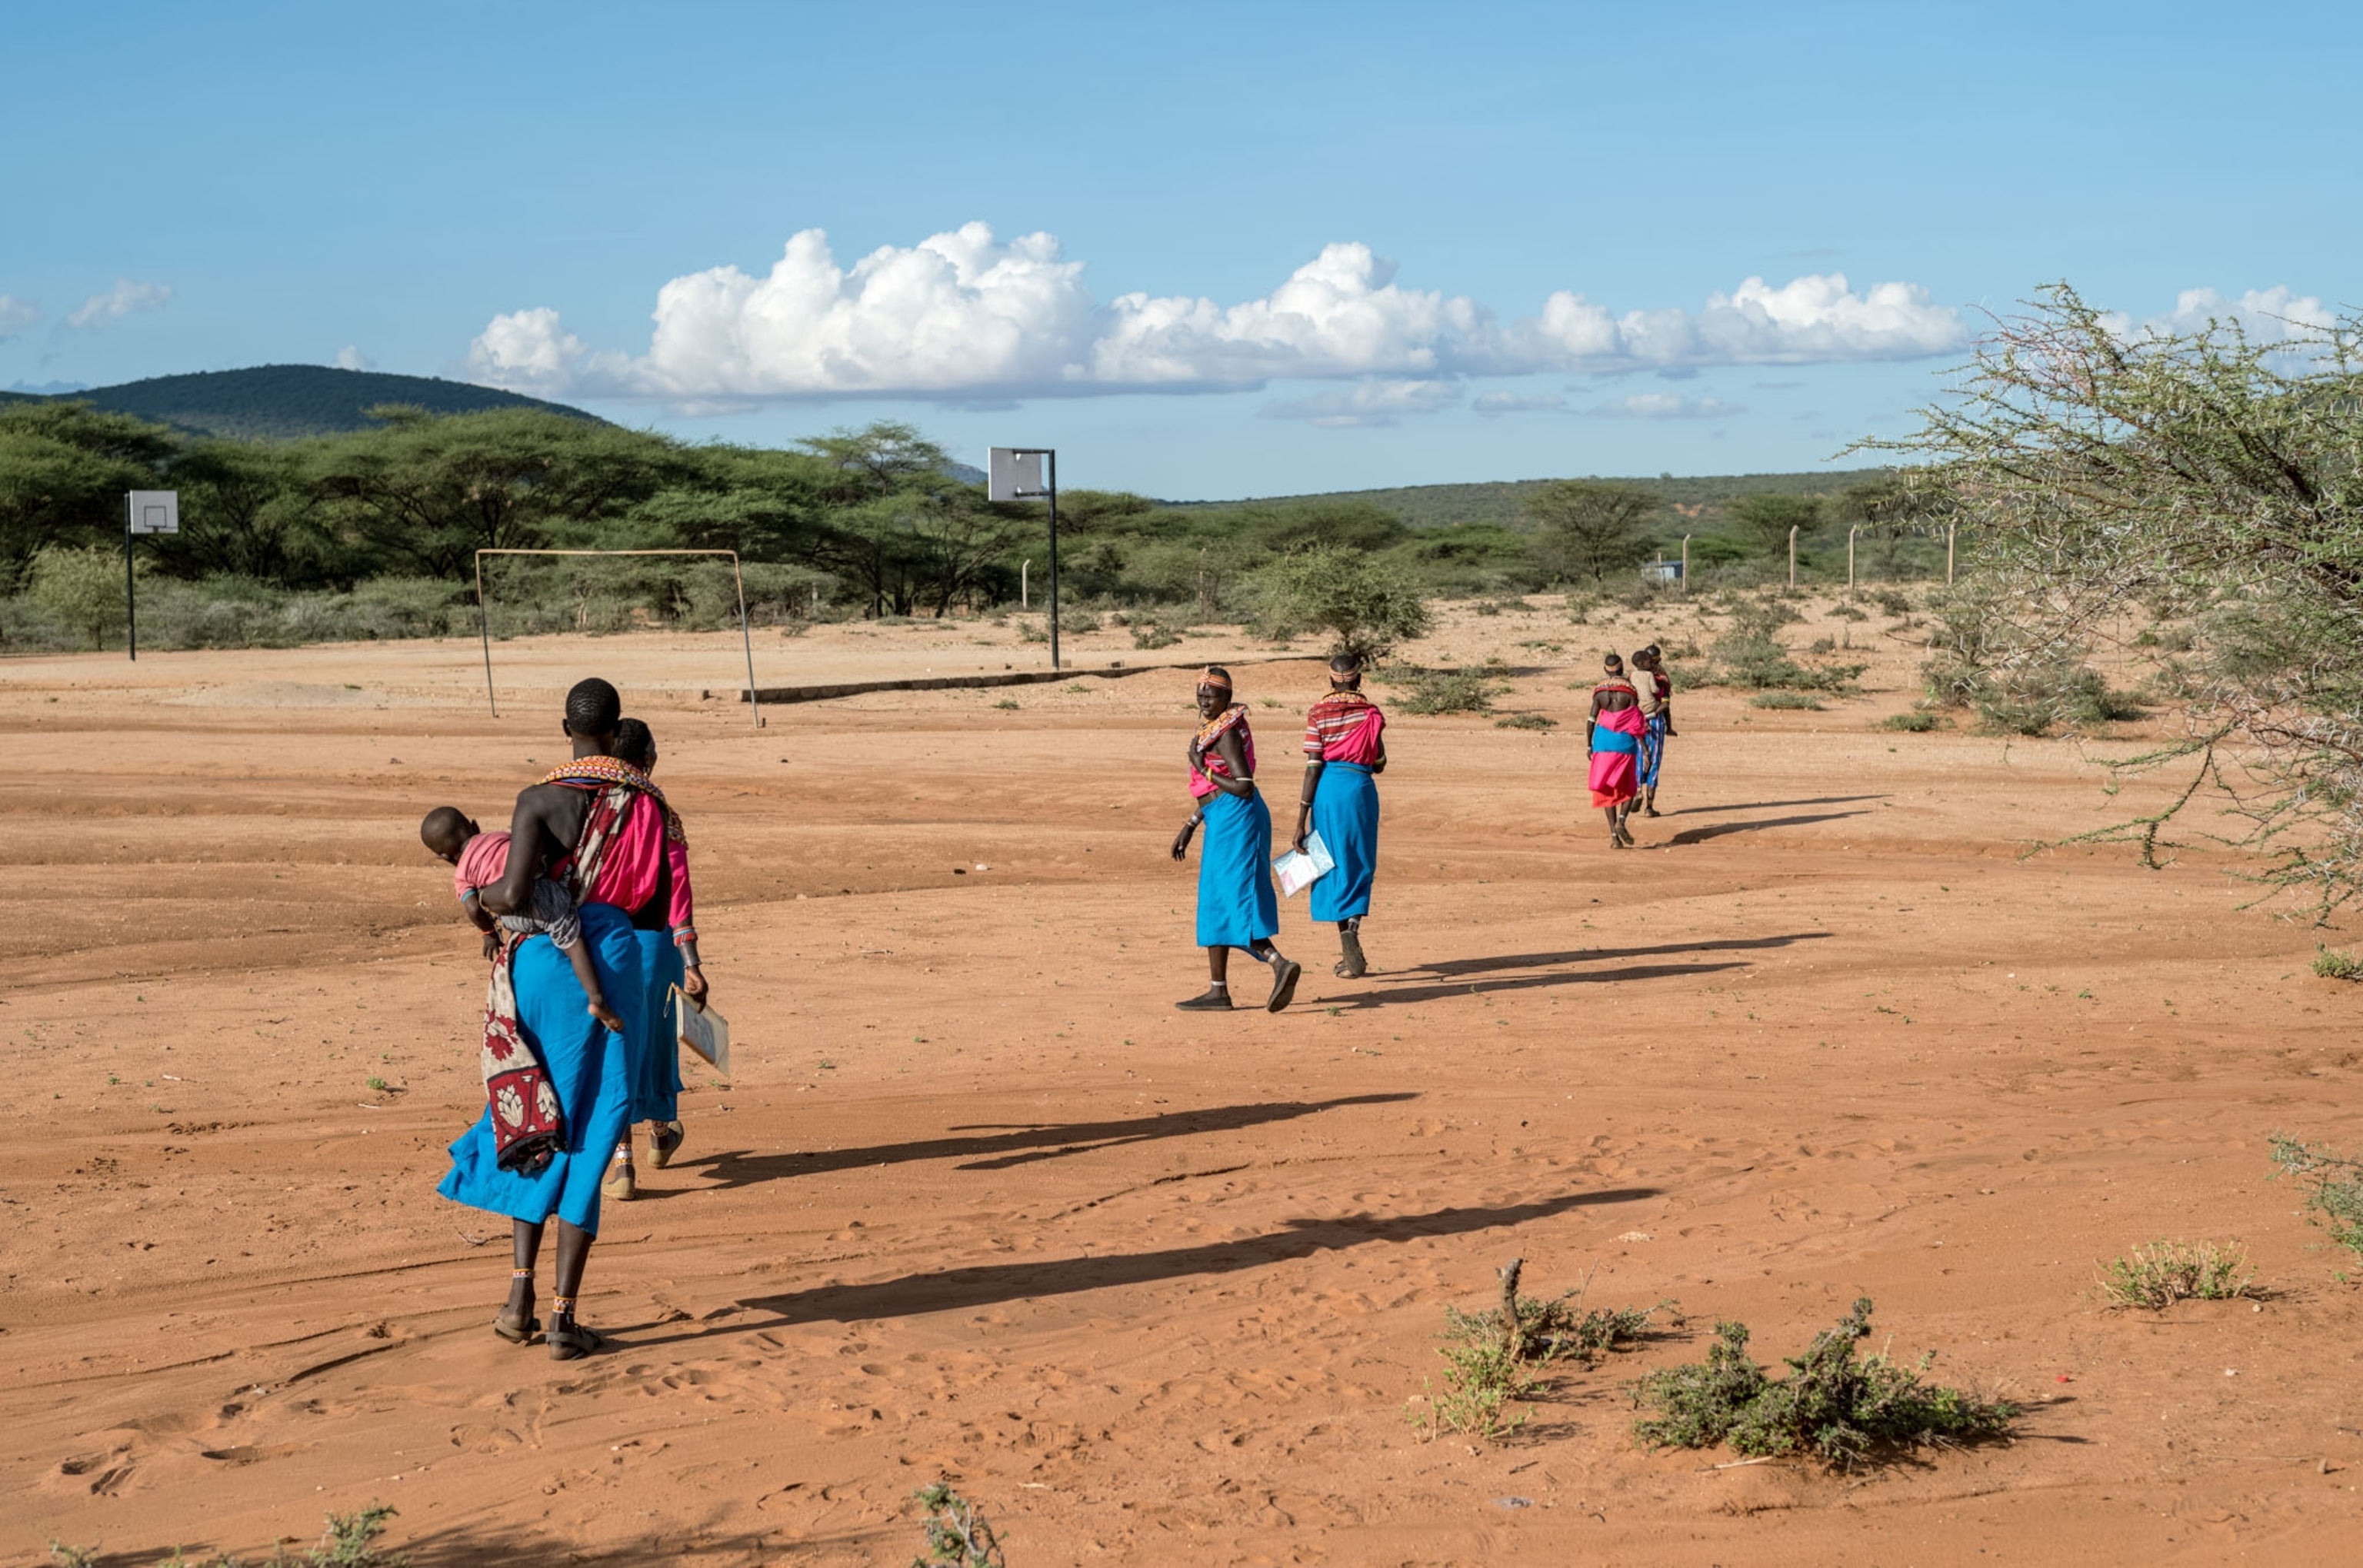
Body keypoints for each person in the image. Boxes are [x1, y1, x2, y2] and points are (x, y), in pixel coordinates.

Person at [436, 677, 670, 1360]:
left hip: (541, 962)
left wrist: (476, 896)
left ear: (563, 726)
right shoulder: (651, 804)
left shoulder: (538, 798)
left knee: (535, 1116)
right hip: (618, 958)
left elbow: (514, 892)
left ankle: (518, 1299)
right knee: (596, 1130)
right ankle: (566, 1318)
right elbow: (653, 909)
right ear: (618, 726)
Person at [600, 717, 707, 1203]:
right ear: (645, 759)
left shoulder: (592, 807)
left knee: (615, 1044)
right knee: (659, 1039)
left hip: (600, 943)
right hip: (653, 943)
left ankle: (621, 1161)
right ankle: (661, 1134)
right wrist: (692, 961)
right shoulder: (660, 813)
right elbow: (678, 891)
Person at [1168, 666, 1302, 1012]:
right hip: (1223, 817)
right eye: (1200, 694)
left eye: (1211, 695)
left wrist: (1203, 768)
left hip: (1236, 818)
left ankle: (1277, 963)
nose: (1204, 700)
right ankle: (1219, 990)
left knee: (1229, 899)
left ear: (1227, 697)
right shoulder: (1219, 726)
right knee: (1218, 900)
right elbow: (1217, 791)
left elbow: (1243, 786)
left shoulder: (1226, 733)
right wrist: (1193, 822)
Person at [422, 806, 624, 1034]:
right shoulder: (498, 837)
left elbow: (472, 908)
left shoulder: (462, 876)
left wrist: (489, 934)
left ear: (445, 857)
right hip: (540, 895)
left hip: (512, 919)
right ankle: (596, 998)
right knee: (573, 941)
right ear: (474, 825)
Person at [1291, 651, 1388, 978]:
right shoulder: (1371, 714)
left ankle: (1345, 946)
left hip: (1327, 792)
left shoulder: (1318, 712)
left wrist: (1301, 817)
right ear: (1359, 679)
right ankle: (1354, 929)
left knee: (1330, 862)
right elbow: (1379, 763)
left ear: (1331, 679)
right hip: (1359, 789)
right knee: (1359, 860)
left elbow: (1313, 765)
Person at [1587, 653, 1646, 847]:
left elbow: (1591, 720)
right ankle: (1622, 820)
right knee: (1629, 786)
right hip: (1624, 743)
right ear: (1621, 669)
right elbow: (1636, 723)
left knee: (1607, 789)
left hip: (1603, 742)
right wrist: (1645, 749)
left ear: (1606, 670)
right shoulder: (1630, 691)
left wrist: (1589, 744)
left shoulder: (1599, 691)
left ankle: (1614, 837)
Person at [1633, 645, 1676, 817]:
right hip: (1656, 721)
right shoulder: (1662, 679)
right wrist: (1669, 726)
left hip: (1637, 720)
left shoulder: (1634, 677)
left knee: (1638, 758)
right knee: (1655, 761)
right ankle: (1649, 808)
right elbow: (1666, 706)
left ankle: (1637, 790)